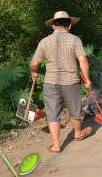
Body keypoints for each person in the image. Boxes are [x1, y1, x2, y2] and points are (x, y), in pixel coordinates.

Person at [30, 11, 93, 153]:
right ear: (69, 25)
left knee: (52, 113)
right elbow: (82, 60)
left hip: (51, 82)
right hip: (71, 81)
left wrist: (34, 71)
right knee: (75, 109)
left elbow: (34, 62)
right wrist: (87, 80)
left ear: (53, 25)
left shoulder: (44, 42)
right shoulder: (75, 40)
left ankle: (56, 145)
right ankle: (78, 133)